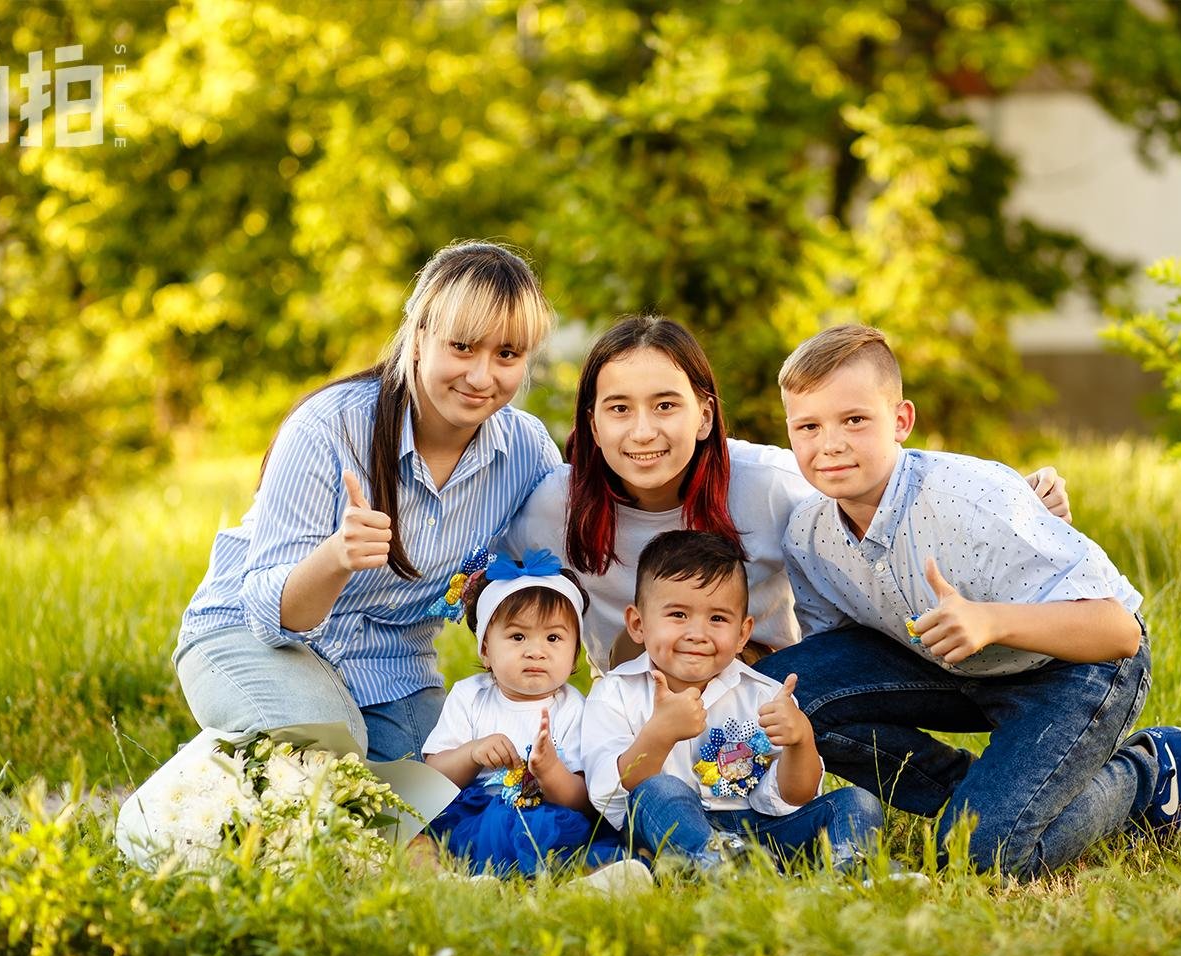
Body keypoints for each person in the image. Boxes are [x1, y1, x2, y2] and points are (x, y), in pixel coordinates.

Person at [759, 323, 1181, 880]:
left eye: (854, 420)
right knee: (789, 694)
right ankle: (978, 795)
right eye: (808, 426)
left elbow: (1120, 632)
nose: (830, 444)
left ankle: (1146, 773)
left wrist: (991, 620)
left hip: (1073, 669)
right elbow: (838, 665)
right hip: (947, 668)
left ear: (901, 421)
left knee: (982, 859)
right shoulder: (809, 533)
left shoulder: (972, 498)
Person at [505, 315, 1074, 674]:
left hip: (766, 688)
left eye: (666, 405)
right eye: (619, 409)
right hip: (634, 703)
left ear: (705, 416)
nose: (644, 431)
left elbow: (880, 477)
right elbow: (497, 591)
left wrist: (1015, 500)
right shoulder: (557, 506)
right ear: (593, 422)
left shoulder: (767, 484)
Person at [174, 242, 561, 762]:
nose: (481, 376)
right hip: (250, 638)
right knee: (328, 753)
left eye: (507, 354)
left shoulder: (527, 451)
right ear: (420, 336)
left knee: (433, 797)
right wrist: (338, 556)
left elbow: (554, 570)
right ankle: (177, 809)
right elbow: (271, 615)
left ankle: (256, 759)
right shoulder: (329, 427)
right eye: (463, 347)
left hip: (390, 666)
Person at [580, 530, 886, 873]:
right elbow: (608, 795)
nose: (697, 633)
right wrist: (659, 735)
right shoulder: (616, 693)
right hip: (666, 828)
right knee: (660, 790)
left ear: (742, 633)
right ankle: (716, 862)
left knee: (857, 801)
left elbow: (793, 798)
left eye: (717, 618)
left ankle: (850, 870)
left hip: (760, 830)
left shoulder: (765, 695)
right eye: (678, 615)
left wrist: (802, 740)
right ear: (638, 624)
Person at [421, 550, 622, 875]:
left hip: (549, 813)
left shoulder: (574, 707)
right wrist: (472, 753)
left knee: (577, 840)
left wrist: (551, 771)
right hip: (480, 811)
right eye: (517, 636)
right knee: (434, 836)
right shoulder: (470, 696)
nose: (535, 651)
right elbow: (434, 777)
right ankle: (470, 879)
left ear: (574, 657)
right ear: (486, 650)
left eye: (554, 638)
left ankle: (586, 877)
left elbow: (583, 800)